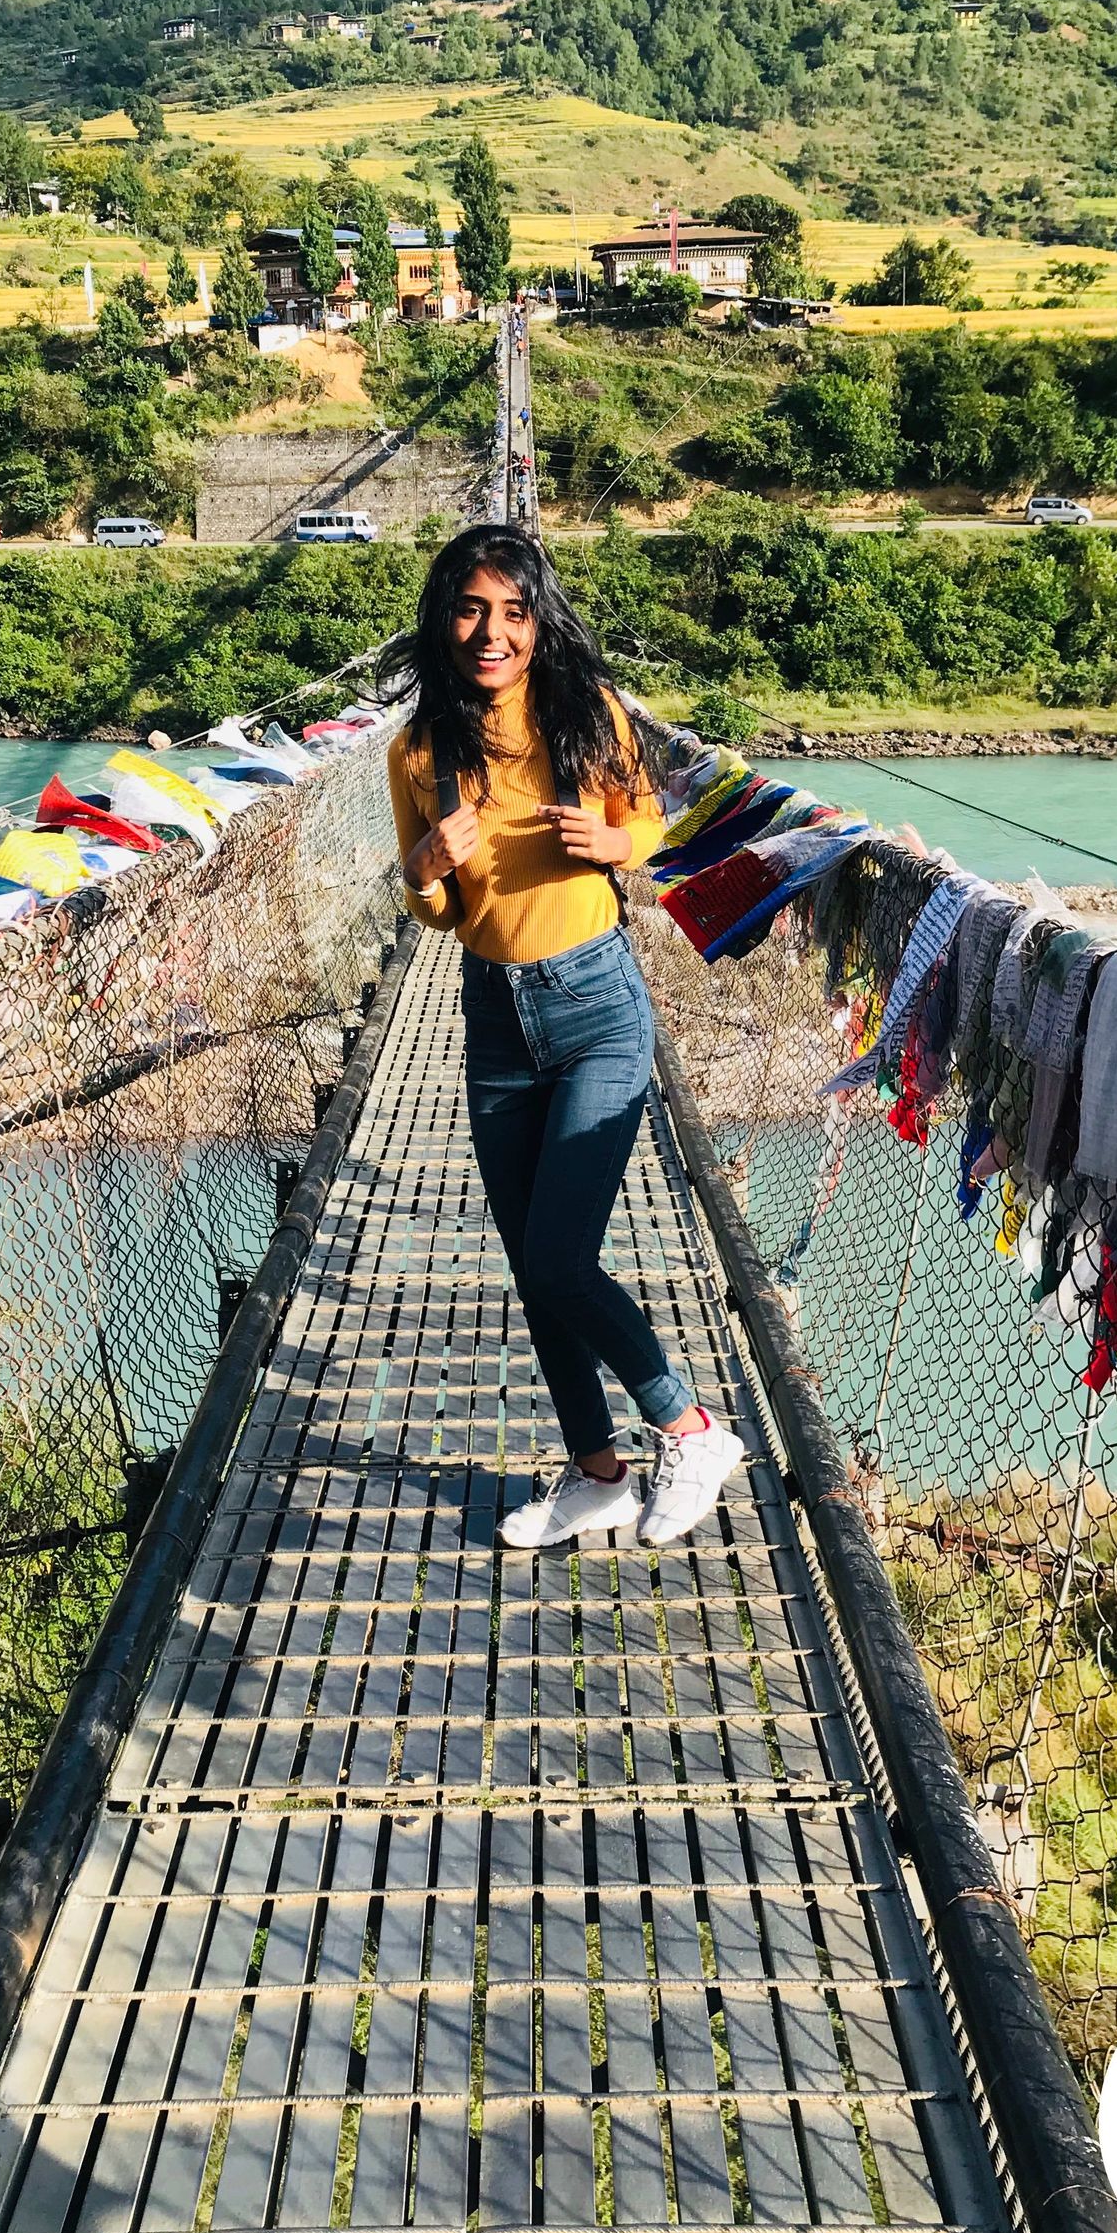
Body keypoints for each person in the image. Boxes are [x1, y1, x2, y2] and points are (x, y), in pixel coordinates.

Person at [384, 522, 746, 1549]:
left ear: (538, 619)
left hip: (595, 1008)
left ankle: (689, 1427)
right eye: (468, 608)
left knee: (555, 1254)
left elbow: (653, 821)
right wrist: (420, 868)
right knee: (532, 1261)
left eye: (510, 610)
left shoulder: (587, 715)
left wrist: (617, 842)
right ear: (441, 618)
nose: (489, 632)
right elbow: (442, 913)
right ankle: (596, 1474)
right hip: (492, 1014)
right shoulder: (417, 751)